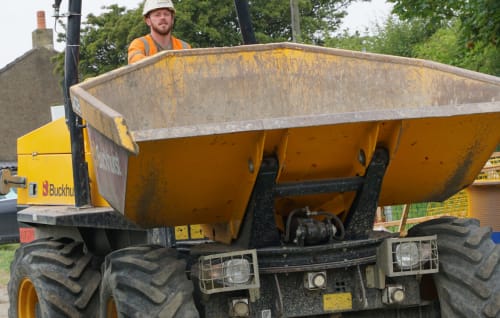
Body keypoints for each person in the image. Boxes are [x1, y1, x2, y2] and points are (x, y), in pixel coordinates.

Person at [128, 0, 191, 64]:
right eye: (157, 15)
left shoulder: (184, 47)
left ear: (172, 19)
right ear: (148, 21)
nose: (163, 17)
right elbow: (136, 63)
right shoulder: (139, 44)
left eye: (166, 14)